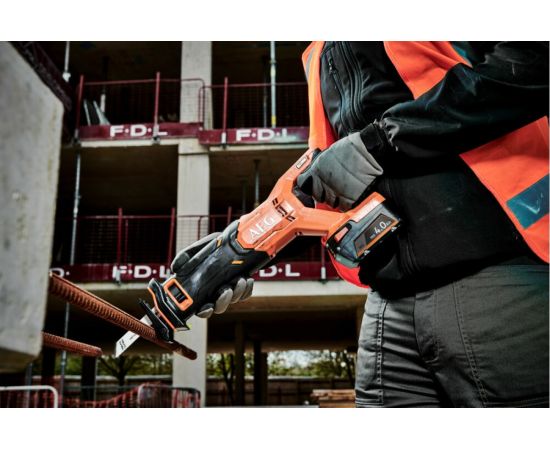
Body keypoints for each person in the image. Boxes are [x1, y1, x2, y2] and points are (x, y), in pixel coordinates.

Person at [173, 42, 548, 407]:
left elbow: (533, 64)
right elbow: (330, 183)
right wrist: (242, 247)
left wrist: (381, 141)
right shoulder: (319, 52)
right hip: (387, 307)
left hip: (498, 281)